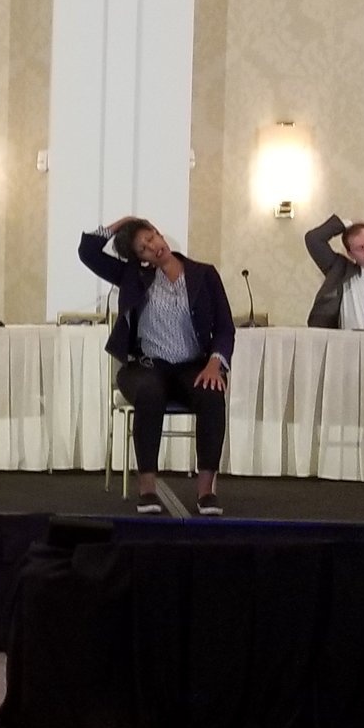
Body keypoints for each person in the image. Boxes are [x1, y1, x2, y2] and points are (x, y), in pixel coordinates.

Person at [80, 216, 237, 517]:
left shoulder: (204, 274)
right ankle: (148, 488)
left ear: (160, 234)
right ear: (140, 259)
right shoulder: (131, 275)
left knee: (211, 394)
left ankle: (206, 491)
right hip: (145, 366)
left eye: (151, 238)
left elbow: (225, 328)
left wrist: (215, 363)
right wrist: (124, 222)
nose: (153, 247)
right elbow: (88, 251)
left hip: (192, 366)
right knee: (150, 391)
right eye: (143, 249)